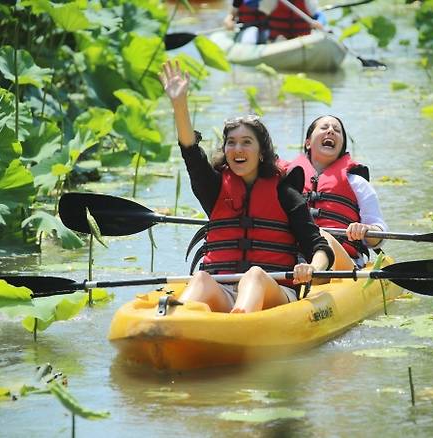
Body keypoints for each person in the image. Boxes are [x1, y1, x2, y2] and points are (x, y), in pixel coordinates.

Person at [159, 61, 334, 314]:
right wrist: (179, 104)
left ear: (261, 153)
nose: (237, 149)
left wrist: (312, 269)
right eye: (231, 143)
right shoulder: (215, 188)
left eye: (246, 142)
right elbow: (191, 153)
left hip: (274, 290)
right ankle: (178, 325)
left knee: (254, 275)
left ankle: (238, 328)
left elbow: (318, 246)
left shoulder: (285, 192)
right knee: (200, 279)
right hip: (225, 289)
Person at [285, 115, 387, 271]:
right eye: (324, 128)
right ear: (307, 143)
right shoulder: (285, 181)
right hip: (292, 259)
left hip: (342, 262)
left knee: (323, 237)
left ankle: (314, 271)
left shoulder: (357, 184)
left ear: (341, 147)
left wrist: (366, 230)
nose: (331, 131)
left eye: (337, 130)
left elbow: (378, 236)